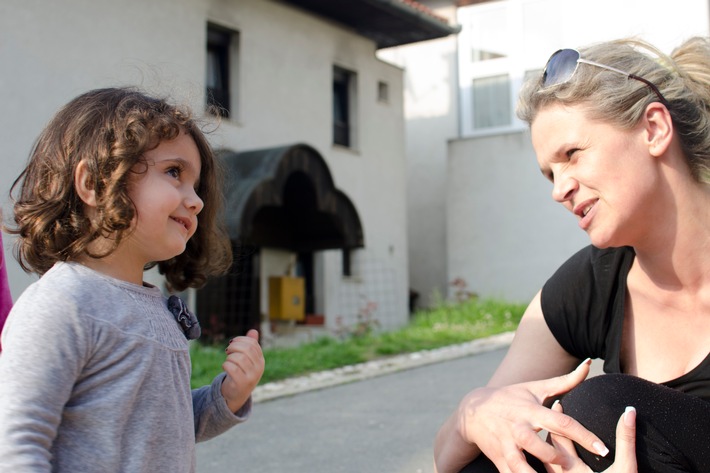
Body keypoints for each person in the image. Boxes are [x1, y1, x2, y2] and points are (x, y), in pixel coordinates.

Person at [434, 36, 710, 473]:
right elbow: (449, 456)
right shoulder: (588, 284)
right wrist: (476, 410)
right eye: (550, 173)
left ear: (654, 129)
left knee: (602, 406)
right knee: (501, 440)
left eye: (572, 155)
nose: (559, 190)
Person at [0, 87, 265, 471]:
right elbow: (17, 443)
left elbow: (164, 428)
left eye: (196, 186)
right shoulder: (62, 305)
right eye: (174, 172)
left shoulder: (156, 308)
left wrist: (228, 395)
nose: (196, 200)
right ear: (93, 183)